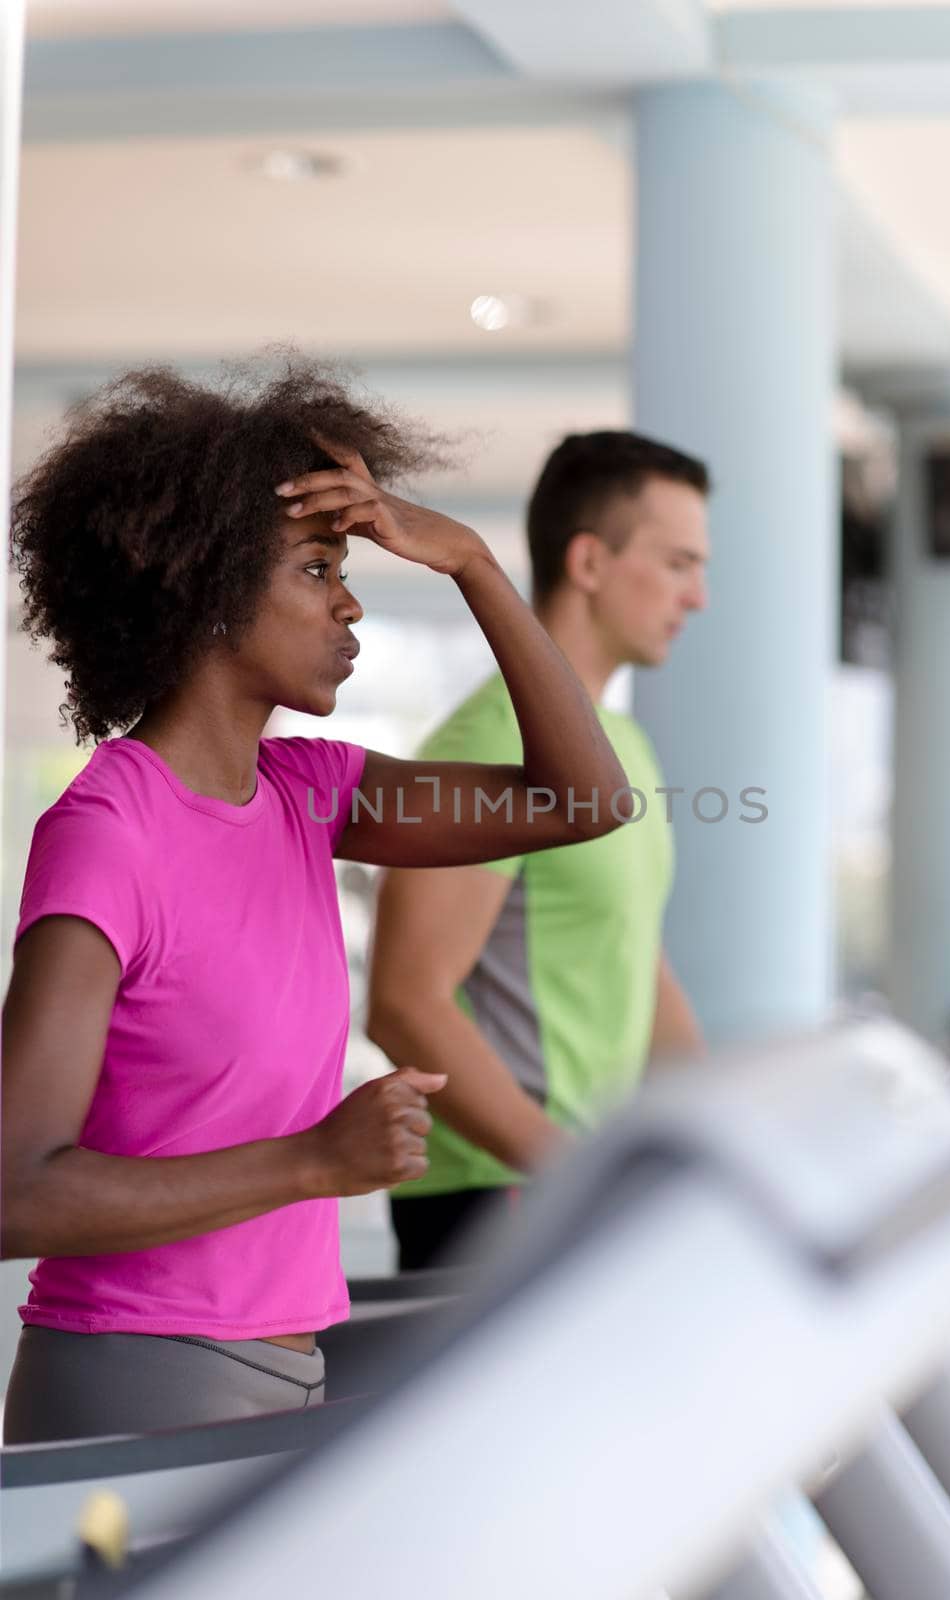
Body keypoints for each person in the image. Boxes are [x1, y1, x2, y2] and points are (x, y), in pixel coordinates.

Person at [0, 360, 631, 1444]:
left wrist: (471, 562)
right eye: (317, 566)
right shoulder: (111, 834)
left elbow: (585, 800)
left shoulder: (307, 794)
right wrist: (314, 1162)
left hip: (283, 1365)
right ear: (203, 579)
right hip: (136, 1375)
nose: (349, 602)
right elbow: (16, 1191)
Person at [367, 430, 711, 1271]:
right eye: (676, 563)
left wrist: (718, 1145)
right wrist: (575, 1172)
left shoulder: (623, 742)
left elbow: (637, 959)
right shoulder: (485, 739)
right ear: (589, 562)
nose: (696, 596)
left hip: (577, 1193)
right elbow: (406, 1004)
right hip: (495, 1196)